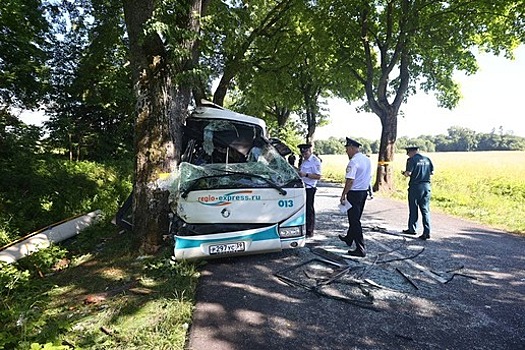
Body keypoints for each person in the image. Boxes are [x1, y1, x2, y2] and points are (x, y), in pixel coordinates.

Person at [338, 137, 372, 257]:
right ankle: (349, 238)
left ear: (352, 148)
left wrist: (343, 195)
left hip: (354, 193)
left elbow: (350, 181)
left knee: (354, 220)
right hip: (363, 192)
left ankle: (360, 248)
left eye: (347, 149)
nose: (347, 152)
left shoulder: (353, 162)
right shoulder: (366, 160)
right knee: (355, 217)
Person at [401, 146, 434, 240]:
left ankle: (412, 228)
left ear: (411, 152)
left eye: (407, 153)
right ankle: (427, 232)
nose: (407, 155)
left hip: (415, 187)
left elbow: (409, 173)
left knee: (413, 208)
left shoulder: (411, 160)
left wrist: (404, 173)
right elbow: (432, 172)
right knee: (425, 210)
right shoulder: (427, 159)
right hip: (426, 186)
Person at [297, 143, 322, 237]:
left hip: (310, 188)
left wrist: (305, 175)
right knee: (303, 209)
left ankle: (310, 230)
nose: (304, 155)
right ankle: (305, 227)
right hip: (303, 187)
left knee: (309, 209)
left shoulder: (315, 161)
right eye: (302, 153)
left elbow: (318, 176)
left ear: (310, 150)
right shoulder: (304, 160)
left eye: (305, 152)